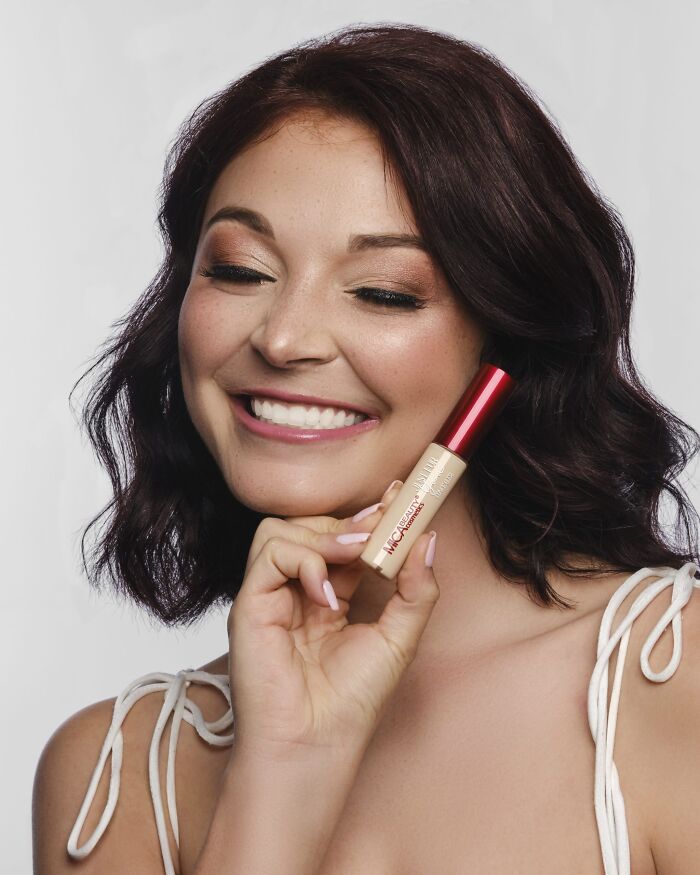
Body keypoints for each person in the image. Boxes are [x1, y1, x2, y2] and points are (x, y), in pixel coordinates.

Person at [32, 23, 700, 875]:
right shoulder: (115, 775)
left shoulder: (671, 682)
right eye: (240, 270)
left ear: (506, 342)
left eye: (382, 292)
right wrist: (285, 770)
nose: (284, 338)